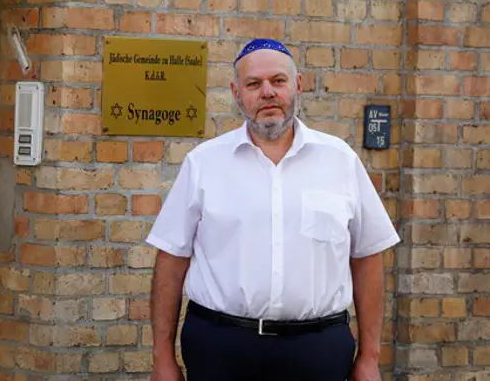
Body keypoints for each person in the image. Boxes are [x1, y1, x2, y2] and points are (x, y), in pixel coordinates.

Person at [146, 38, 400, 381]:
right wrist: (162, 357)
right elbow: (171, 261)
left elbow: (367, 257)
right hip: (221, 349)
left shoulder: (340, 161)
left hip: (317, 350)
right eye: (254, 84)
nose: (267, 92)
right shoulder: (204, 164)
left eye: (278, 81)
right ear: (237, 93)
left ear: (297, 85)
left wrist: (370, 356)